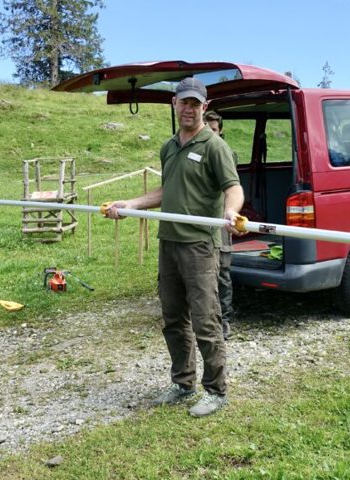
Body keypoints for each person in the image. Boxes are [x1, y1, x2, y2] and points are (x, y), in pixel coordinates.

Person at [105, 77, 244, 418]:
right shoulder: (169, 148)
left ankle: (216, 390)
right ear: (174, 103)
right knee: (172, 318)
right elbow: (166, 191)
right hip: (169, 241)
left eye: (196, 104)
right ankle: (183, 383)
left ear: (204, 107)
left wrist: (231, 211)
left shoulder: (215, 146)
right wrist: (133, 203)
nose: (189, 108)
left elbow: (233, 187)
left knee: (205, 320)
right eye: (184, 102)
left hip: (199, 244)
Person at [204, 111, 236, 341]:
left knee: (222, 271)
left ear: (220, 131)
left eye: (213, 129)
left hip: (221, 220)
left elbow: (230, 189)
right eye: (207, 128)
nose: (210, 133)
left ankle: (224, 319)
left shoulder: (225, 153)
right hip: (198, 222)